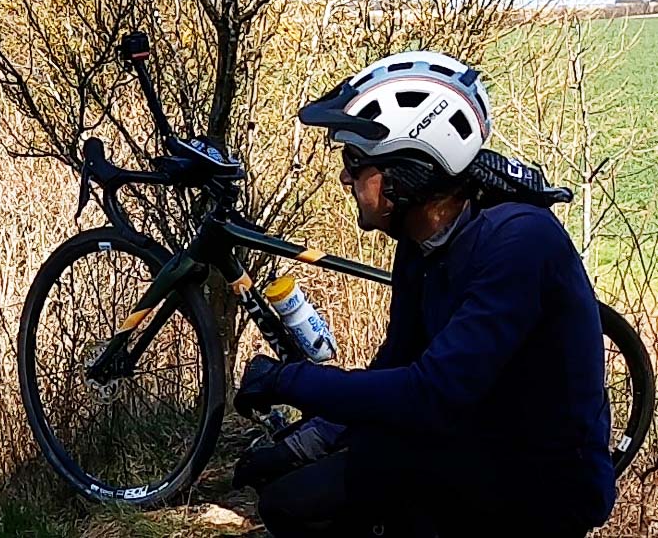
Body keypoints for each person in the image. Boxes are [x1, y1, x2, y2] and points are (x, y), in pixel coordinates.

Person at [231, 51, 616, 537]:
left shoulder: (520, 241)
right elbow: (396, 362)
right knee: (287, 500)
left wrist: (289, 380)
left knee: (327, 510)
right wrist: (309, 439)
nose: (346, 177)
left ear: (404, 173)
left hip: (544, 482)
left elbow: (431, 393)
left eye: (356, 162)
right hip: (470, 443)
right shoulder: (421, 242)